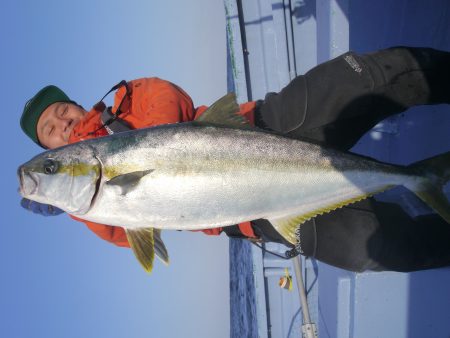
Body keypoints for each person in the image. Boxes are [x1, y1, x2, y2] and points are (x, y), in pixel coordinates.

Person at [20, 46, 450, 272]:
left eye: (62, 112)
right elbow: (127, 229)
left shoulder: (127, 97)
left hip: (269, 123)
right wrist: (67, 201)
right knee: (389, 251)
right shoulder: (92, 204)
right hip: (256, 214)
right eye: (50, 135)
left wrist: (130, 148)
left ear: (75, 104)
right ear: (50, 149)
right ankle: (417, 180)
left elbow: (168, 98)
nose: (62, 124)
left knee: (380, 75)